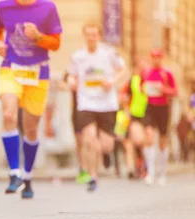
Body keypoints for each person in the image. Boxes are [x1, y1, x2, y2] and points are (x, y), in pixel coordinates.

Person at [0, 0, 62, 199]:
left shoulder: (48, 7)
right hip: (11, 68)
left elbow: (56, 43)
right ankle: (14, 173)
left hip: (38, 72)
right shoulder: (3, 6)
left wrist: (39, 37)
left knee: (30, 128)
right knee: (8, 113)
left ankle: (27, 175)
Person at [67, 22, 127, 192]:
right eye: (88, 34)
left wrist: (112, 82)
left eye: (94, 34)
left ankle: (107, 153)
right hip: (86, 103)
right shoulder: (77, 56)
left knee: (105, 145)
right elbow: (71, 75)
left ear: (99, 36)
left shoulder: (108, 53)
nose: (91, 37)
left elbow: (123, 69)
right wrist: (72, 82)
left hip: (107, 104)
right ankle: (93, 176)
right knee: (89, 139)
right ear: (84, 36)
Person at [141, 49, 178, 185]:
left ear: (161, 58)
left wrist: (163, 89)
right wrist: (145, 88)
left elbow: (175, 91)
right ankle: (150, 171)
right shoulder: (146, 72)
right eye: (153, 57)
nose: (156, 60)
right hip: (150, 106)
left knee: (162, 140)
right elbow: (140, 87)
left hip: (163, 107)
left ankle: (162, 171)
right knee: (149, 136)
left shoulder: (167, 73)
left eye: (158, 57)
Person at [121, 58, 149, 179]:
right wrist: (126, 110)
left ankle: (141, 164)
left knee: (141, 142)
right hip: (133, 116)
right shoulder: (132, 81)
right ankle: (131, 168)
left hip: (146, 115)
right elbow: (123, 96)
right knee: (130, 143)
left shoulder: (149, 81)